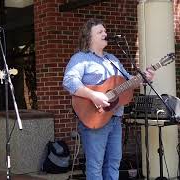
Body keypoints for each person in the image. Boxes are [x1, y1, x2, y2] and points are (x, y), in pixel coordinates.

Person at [62, 18, 154, 180]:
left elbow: (128, 81)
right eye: (100, 32)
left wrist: (144, 78)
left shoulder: (112, 59)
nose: (105, 33)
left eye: (105, 31)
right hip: (94, 117)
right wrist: (93, 95)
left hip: (115, 117)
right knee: (95, 165)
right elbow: (69, 81)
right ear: (89, 37)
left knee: (114, 161)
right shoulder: (81, 58)